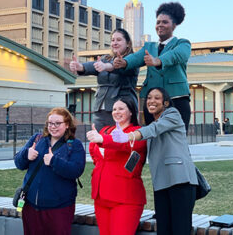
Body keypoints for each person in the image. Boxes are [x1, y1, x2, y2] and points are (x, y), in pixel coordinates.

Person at [112, 87, 198, 235]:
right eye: (149, 98)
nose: (152, 101)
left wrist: (129, 135)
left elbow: (154, 129)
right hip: (161, 184)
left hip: (180, 181)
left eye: (157, 98)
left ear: (165, 103)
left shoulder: (172, 114)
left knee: (180, 230)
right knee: (163, 230)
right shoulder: (152, 125)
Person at [113, 2, 191, 131]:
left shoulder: (182, 43)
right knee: (152, 138)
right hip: (153, 103)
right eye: (158, 22)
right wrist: (124, 62)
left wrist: (157, 61)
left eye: (165, 22)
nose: (160, 25)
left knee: (177, 140)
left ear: (174, 25)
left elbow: (178, 55)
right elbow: (136, 58)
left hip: (177, 99)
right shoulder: (149, 47)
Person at [14, 107, 86, 235]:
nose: (53, 126)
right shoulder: (37, 139)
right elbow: (19, 163)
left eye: (58, 123)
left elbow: (76, 170)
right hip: (31, 206)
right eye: (50, 123)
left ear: (67, 124)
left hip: (59, 208)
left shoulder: (74, 145)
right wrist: (26, 154)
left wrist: (54, 161)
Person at [86, 97, 147, 235]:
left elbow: (123, 144)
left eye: (121, 108)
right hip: (101, 197)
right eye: (114, 109)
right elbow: (94, 151)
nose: (116, 112)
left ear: (131, 112)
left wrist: (102, 139)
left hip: (125, 199)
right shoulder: (106, 130)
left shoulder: (137, 133)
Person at [69, 28, 139, 132]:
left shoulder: (132, 60)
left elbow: (118, 67)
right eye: (113, 40)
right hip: (100, 108)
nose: (114, 43)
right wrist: (80, 67)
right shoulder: (105, 58)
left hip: (121, 108)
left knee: (118, 141)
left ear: (128, 43)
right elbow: (93, 66)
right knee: (99, 141)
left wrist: (106, 66)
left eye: (118, 40)